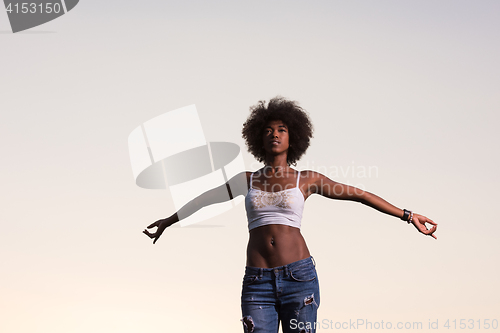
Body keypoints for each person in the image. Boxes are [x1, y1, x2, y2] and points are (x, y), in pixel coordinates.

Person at [143, 97, 438, 333]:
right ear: (259, 137)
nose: (274, 134)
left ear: (293, 137)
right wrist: (169, 221)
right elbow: (205, 199)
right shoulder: (246, 179)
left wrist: (408, 215)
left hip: (299, 278)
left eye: (282, 130)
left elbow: (358, 194)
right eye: (269, 130)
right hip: (257, 282)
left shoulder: (307, 179)